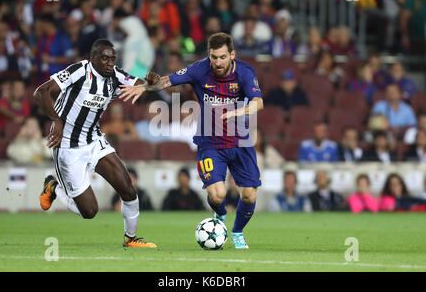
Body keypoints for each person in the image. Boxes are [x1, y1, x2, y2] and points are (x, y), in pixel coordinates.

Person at [119, 32, 264, 249]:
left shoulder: (244, 72)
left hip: (240, 142)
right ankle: (221, 217)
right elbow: (167, 80)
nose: (217, 62)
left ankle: (237, 232)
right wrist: (144, 86)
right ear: (209, 54)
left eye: (223, 57)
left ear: (232, 54)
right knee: (217, 195)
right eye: (214, 57)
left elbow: (258, 103)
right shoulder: (199, 69)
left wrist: (238, 112)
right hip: (210, 143)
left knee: (249, 196)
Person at [33, 39, 157, 248]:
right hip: (68, 147)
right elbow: (42, 92)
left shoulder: (115, 76)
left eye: (112, 59)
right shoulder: (79, 71)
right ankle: (54, 187)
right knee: (90, 212)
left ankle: (131, 239)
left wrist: (150, 83)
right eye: (105, 58)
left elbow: (141, 87)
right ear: (93, 59)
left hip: (93, 141)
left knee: (127, 189)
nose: (110, 63)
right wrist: (57, 121)